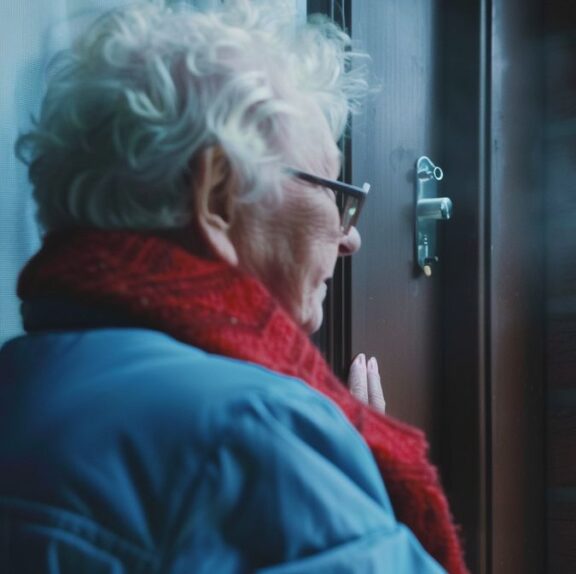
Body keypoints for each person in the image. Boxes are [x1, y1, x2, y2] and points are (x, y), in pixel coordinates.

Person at [0, 1, 468, 572]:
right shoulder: (254, 434)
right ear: (217, 196)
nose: (352, 241)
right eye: (336, 194)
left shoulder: (20, 382)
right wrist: (320, 468)